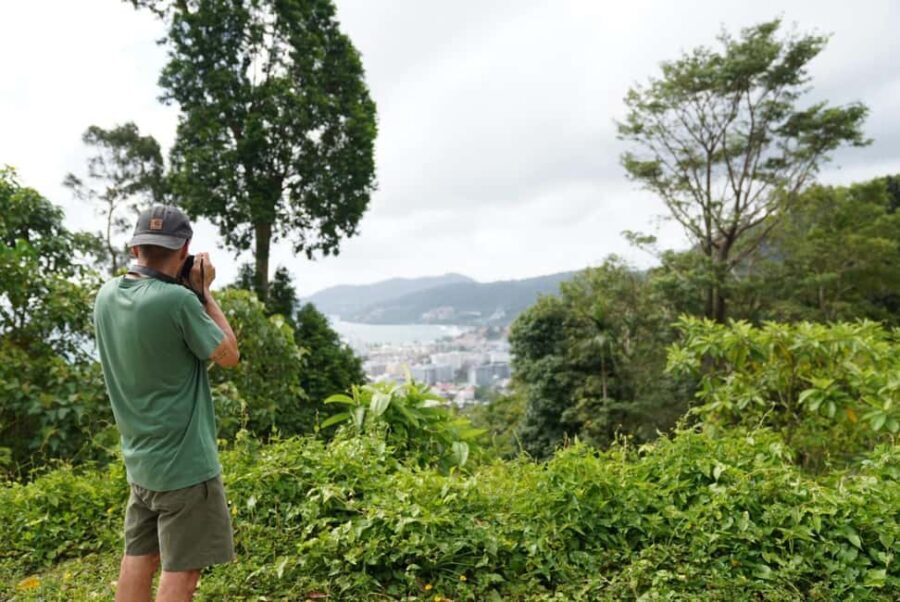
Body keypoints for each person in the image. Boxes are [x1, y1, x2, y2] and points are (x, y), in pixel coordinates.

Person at [93, 204, 240, 601]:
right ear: (184, 249)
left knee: (139, 557)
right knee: (183, 571)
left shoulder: (105, 296)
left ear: (135, 248)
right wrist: (204, 293)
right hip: (185, 468)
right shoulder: (177, 302)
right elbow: (228, 354)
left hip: (141, 462)